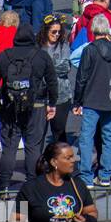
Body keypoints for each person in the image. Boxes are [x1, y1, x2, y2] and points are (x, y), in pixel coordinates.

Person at [0, 17, 57, 186]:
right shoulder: (41, 56)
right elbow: (52, 82)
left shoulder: (4, 56)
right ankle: (32, 184)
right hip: (36, 105)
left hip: (10, 106)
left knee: (9, 149)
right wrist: (52, 103)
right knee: (33, 147)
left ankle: (4, 185)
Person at [72, 13, 111, 190]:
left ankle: (86, 176)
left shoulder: (90, 50)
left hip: (91, 100)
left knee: (86, 138)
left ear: (93, 30)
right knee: (109, 137)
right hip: (109, 100)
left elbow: (82, 77)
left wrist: (77, 101)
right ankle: (105, 175)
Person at [16, 140, 98, 222]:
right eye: (68, 158)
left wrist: (86, 219)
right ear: (53, 162)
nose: (73, 160)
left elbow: (91, 211)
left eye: (73, 157)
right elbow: (17, 218)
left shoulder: (78, 184)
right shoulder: (30, 188)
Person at [37, 15, 73, 145]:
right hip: (41, 96)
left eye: (59, 31)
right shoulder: (38, 46)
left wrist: (45, 67)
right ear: (46, 31)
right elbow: (35, 69)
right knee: (39, 133)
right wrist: (52, 66)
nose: (57, 34)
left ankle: (60, 160)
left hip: (61, 95)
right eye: (53, 31)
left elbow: (66, 67)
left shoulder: (64, 44)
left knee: (59, 131)